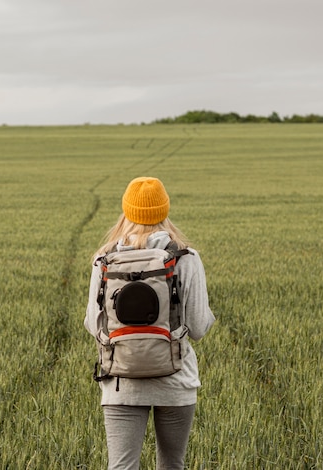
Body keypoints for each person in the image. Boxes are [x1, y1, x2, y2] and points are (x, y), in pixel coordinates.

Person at [84, 176, 215, 469]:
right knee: (171, 465)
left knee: (121, 467)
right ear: (164, 210)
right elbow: (198, 327)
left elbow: (94, 324)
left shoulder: (104, 260)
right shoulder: (186, 258)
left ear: (127, 211)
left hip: (121, 381)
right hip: (175, 380)